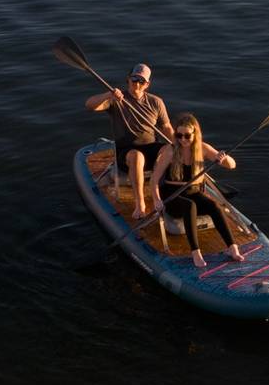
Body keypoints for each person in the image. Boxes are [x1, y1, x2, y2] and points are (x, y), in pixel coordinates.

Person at [151, 112, 245, 268]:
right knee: (190, 206)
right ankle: (195, 252)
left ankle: (232, 248)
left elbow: (232, 165)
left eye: (187, 136)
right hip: (172, 194)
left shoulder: (203, 148)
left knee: (214, 206)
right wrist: (156, 200)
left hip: (194, 191)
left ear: (195, 133)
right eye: (179, 135)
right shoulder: (170, 150)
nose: (182, 139)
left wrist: (223, 158)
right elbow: (154, 180)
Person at [86, 63, 173, 218]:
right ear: (128, 79)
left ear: (147, 84)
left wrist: (180, 146)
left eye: (141, 81)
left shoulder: (156, 102)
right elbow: (90, 105)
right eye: (134, 79)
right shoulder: (116, 99)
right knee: (137, 156)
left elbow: (167, 127)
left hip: (150, 146)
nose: (137, 84)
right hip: (127, 151)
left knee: (170, 150)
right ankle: (140, 204)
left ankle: (165, 191)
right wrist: (108, 95)